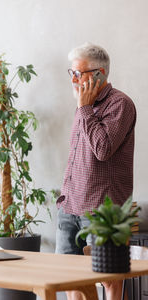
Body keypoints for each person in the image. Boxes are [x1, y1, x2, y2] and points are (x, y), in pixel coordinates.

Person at [55, 42, 136, 300]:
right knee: (70, 277)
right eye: (72, 73)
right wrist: (64, 198)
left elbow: (102, 149)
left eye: (79, 73)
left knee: (109, 278)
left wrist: (85, 108)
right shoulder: (83, 105)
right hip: (70, 205)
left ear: (99, 74)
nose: (74, 79)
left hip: (103, 210)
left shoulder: (120, 104)